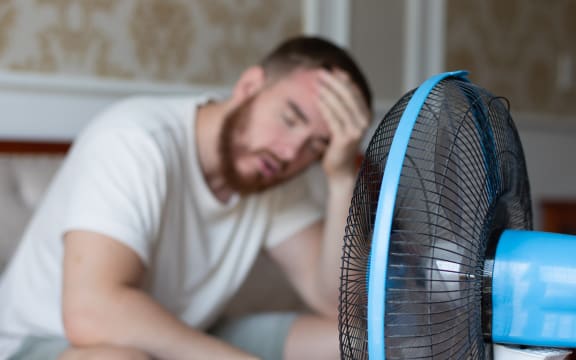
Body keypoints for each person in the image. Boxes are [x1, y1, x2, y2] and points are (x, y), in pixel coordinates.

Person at [0, 35, 372, 359]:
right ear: (249, 85)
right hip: (48, 341)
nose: (291, 152)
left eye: (316, 146)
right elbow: (91, 312)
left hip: (182, 330)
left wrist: (340, 176)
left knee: (356, 342)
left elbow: (338, 306)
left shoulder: (273, 173)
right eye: (290, 119)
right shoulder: (136, 140)